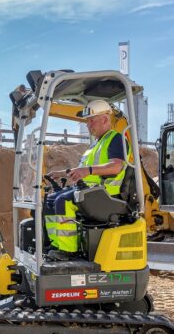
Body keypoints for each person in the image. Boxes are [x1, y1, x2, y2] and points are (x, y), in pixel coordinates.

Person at [43, 99, 132, 259]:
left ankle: (68, 251)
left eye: (91, 121)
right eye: (87, 122)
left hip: (105, 193)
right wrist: (62, 173)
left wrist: (88, 170)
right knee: (50, 200)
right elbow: (83, 170)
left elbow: (116, 166)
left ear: (104, 119)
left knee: (62, 201)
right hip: (90, 190)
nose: (88, 125)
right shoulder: (96, 144)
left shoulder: (116, 139)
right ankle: (56, 243)